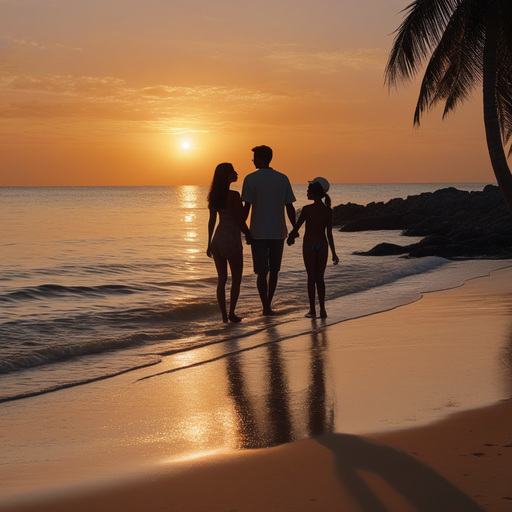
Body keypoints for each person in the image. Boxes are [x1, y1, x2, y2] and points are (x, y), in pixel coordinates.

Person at [242, 145, 296, 315]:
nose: (253, 161)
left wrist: (242, 229)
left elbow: (246, 209)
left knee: (261, 272)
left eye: (254, 158)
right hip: (278, 231)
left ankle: (265, 306)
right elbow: (290, 207)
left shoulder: (250, 179)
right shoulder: (283, 178)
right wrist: (294, 228)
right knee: (274, 271)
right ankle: (269, 304)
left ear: (258, 158)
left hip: (257, 232)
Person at [287, 177, 339, 318]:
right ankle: (322, 309)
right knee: (320, 279)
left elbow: (297, 227)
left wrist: (291, 237)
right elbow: (329, 234)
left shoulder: (306, 209)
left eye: (308, 190)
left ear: (314, 193)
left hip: (309, 245)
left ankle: (312, 310)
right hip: (323, 246)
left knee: (311, 278)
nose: (306, 191)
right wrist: (334, 253)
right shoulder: (328, 211)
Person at [207, 163, 252, 323]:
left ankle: (224, 317)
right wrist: (248, 234)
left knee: (222, 279)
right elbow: (241, 220)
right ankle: (232, 313)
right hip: (232, 238)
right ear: (226, 175)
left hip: (218, 239)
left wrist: (208, 243)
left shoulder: (214, 195)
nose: (236, 173)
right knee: (236, 279)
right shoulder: (234, 195)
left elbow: (212, 220)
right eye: (233, 171)